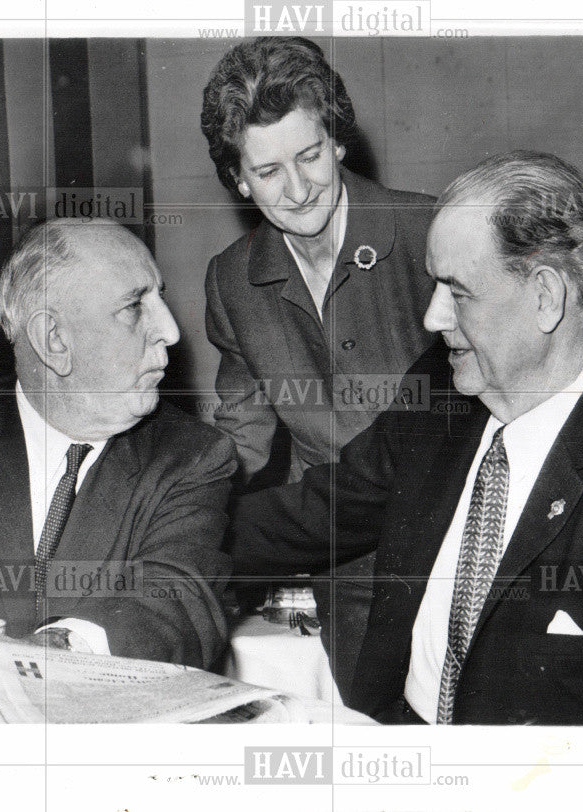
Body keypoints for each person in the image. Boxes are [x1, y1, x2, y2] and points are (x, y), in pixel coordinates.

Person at [229, 152, 583, 725]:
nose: (432, 318)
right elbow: (319, 511)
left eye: (457, 293)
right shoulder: (440, 394)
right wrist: (160, 534)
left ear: (546, 297)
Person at [0, 219, 237, 715]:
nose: (172, 332)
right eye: (135, 306)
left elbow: (178, 603)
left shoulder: (191, 456)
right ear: (54, 340)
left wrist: (43, 655)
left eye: (160, 297)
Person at [200, 36, 436, 699]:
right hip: (342, 561)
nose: (298, 189)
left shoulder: (428, 232)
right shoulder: (232, 279)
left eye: (309, 156)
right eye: (269, 172)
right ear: (238, 180)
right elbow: (241, 435)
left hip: (445, 537)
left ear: (338, 142)